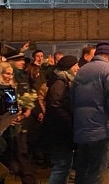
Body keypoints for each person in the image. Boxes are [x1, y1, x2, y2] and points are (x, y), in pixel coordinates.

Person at [72, 42, 109, 184]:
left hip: (81, 128)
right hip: (100, 129)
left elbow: (72, 98)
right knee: (96, 171)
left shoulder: (82, 70)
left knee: (82, 169)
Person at [40, 55, 79, 184]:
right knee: (62, 166)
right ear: (68, 68)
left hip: (60, 129)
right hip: (59, 131)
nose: (78, 68)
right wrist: (70, 121)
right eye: (75, 65)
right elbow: (55, 105)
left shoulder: (64, 80)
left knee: (64, 165)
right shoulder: (60, 83)